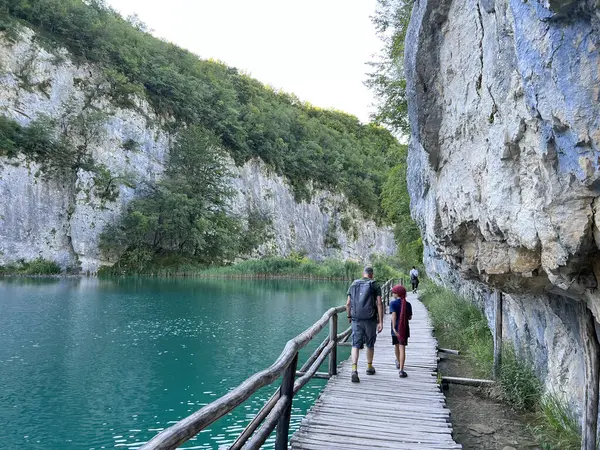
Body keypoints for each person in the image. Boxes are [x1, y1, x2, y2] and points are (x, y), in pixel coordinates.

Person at [346, 266, 383, 383]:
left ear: (363, 274)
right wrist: (381, 321)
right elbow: (379, 303)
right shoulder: (375, 285)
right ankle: (369, 367)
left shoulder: (354, 284)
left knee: (355, 344)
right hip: (370, 319)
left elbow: (348, 304)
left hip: (356, 319)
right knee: (370, 343)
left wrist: (349, 316)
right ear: (372, 274)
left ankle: (354, 369)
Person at [390, 284, 412, 377]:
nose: (392, 294)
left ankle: (398, 362)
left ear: (397, 294)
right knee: (402, 348)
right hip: (404, 328)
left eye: (393, 292)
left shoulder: (393, 303)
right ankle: (401, 370)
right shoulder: (408, 304)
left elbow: (393, 316)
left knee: (396, 346)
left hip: (396, 329)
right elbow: (409, 317)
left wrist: (394, 328)